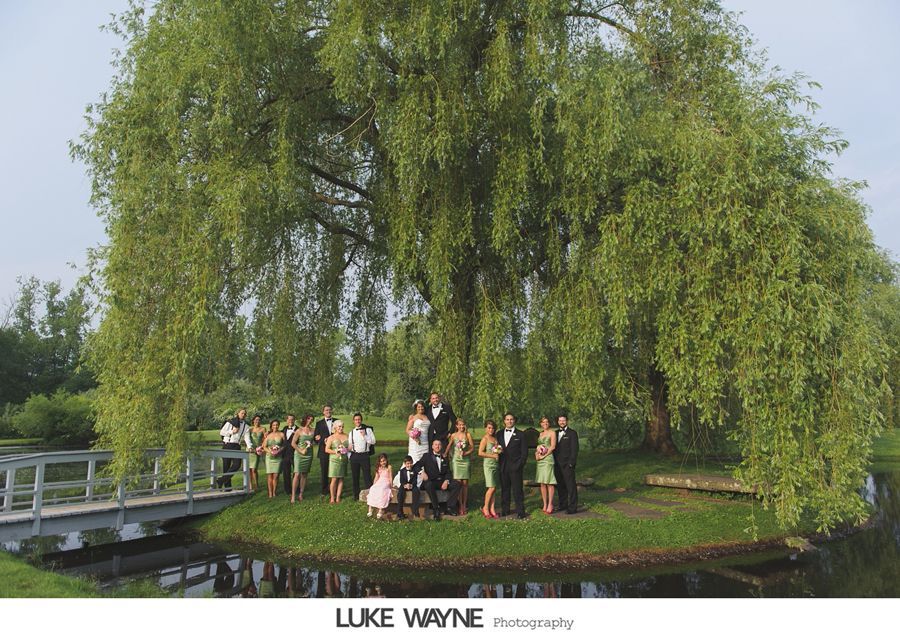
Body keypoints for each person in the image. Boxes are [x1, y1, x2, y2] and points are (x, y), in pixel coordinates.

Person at [416, 439, 461, 521]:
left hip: (442, 482)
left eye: (439, 444)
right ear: (432, 446)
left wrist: (446, 481)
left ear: (441, 446)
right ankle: (436, 509)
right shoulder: (426, 456)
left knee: (457, 484)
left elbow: (448, 472)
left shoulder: (444, 457)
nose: (437, 446)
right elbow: (416, 466)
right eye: (436, 444)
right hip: (431, 481)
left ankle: (449, 508)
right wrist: (421, 472)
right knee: (428, 485)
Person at [496, 412, 527, 519]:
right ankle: (505, 510)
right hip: (503, 466)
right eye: (507, 419)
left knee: (517, 490)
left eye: (511, 419)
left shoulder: (520, 434)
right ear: (504, 421)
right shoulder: (499, 434)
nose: (509, 421)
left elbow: (524, 453)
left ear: (514, 421)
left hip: (516, 466)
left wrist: (519, 465)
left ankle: (520, 511)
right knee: (505, 489)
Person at [445, 418, 474, 515]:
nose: (461, 427)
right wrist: (446, 453)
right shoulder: (453, 435)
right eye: (459, 425)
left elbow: (472, 447)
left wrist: (466, 453)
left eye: (463, 425)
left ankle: (464, 505)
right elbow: (449, 445)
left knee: (465, 484)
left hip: (465, 460)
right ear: (456, 426)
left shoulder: (468, 435)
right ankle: (459, 504)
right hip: (456, 461)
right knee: (458, 484)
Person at [554, 414, 579, 514]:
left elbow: (575, 449)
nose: (562, 422)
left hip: (567, 464)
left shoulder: (572, 433)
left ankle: (573, 507)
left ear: (567, 421)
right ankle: (562, 504)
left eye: (563, 420)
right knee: (560, 486)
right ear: (558, 422)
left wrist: (571, 463)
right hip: (557, 464)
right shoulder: (555, 433)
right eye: (560, 420)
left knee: (571, 486)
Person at [217, 408, 248, 490]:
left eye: (245, 414)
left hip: (237, 446)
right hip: (227, 445)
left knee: (237, 465)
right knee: (226, 466)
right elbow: (222, 432)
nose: (243, 415)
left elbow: (247, 438)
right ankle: (227, 487)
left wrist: (250, 446)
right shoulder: (230, 422)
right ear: (238, 413)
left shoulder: (246, 426)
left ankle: (221, 480)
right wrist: (232, 432)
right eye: (242, 413)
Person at [348, 412, 376, 501]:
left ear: (361, 420)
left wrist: (365, 435)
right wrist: (350, 456)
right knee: (355, 476)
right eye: (356, 420)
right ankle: (356, 496)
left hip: (364, 455)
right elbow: (349, 446)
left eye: (359, 419)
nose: (357, 421)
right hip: (354, 456)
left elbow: (373, 441)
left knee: (367, 476)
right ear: (353, 421)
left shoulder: (368, 430)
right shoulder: (351, 432)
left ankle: (371, 495)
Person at [477, 420, 501, 519]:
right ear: (486, 428)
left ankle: (492, 509)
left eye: (492, 428)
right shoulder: (485, 438)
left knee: (494, 488)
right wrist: (492, 455)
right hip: (488, 465)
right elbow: (480, 453)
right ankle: (485, 508)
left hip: (495, 464)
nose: (491, 430)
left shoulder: (495, 439)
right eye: (489, 428)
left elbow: (497, 450)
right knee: (491, 487)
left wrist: (499, 451)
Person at [534, 416, 558, 514]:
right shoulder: (540, 434)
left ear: (549, 423)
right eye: (543, 422)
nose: (545, 424)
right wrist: (537, 454)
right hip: (540, 460)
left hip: (548, 459)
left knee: (549, 482)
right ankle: (544, 503)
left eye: (547, 422)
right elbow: (538, 447)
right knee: (542, 483)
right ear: (541, 424)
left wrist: (544, 456)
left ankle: (550, 504)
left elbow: (552, 447)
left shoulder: (552, 433)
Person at [290, 414, 316, 503]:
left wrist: (312, 444)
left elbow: (315, 441)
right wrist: (300, 451)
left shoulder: (313, 430)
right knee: (297, 474)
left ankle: (301, 494)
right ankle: (293, 495)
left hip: (309, 454)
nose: (310, 421)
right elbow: (293, 443)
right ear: (305, 419)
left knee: (304, 474)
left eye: (312, 419)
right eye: (309, 418)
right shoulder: (299, 430)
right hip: (299, 454)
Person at [314, 405, 337, 496]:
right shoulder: (319, 423)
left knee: (334, 470)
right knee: (324, 470)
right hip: (323, 451)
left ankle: (333, 488)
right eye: (326, 410)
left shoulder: (336, 421)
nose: (328, 411)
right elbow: (316, 438)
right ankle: (324, 490)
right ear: (323, 412)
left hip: (334, 449)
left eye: (329, 410)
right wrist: (322, 440)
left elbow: (339, 433)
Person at [324, 420, 349, 503]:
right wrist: (335, 451)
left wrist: (345, 450)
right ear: (335, 427)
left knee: (341, 478)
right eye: (339, 426)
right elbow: (326, 449)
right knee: (334, 479)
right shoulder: (331, 437)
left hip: (344, 459)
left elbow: (349, 448)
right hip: (334, 460)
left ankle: (338, 497)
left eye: (342, 426)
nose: (341, 428)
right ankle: (332, 497)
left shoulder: (347, 436)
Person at [393, 455, 422, 520]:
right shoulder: (402, 471)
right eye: (407, 464)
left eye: (411, 463)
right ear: (405, 464)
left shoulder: (414, 470)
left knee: (416, 491)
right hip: (404, 485)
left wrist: (412, 485)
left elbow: (415, 480)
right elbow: (401, 480)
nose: (409, 465)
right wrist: (405, 485)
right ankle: (400, 513)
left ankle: (416, 513)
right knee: (400, 493)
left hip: (412, 485)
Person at [365, 453, 393, 519]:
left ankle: (380, 510)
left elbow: (390, 477)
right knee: (373, 489)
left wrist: (391, 485)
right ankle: (370, 509)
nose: (383, 462)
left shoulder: (389, 467)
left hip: (386, 481)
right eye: (381, 461)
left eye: (384, 461)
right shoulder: (379, 468)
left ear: (386, 460)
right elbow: (376, 477)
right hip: (380, 481)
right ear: (379, 462)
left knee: (382, 489)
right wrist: (373, 485)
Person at [263, 420, 285, 498]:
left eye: (277, 425)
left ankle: (274, 492)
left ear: (278, 426)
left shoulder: (282, 434)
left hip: (278, 457)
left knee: (276, 475)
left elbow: (284, 445)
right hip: (269, 457)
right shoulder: (268, 435)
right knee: (269, 475)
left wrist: (279, 451)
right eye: (274, 425)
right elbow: (264, 446)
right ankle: (270, 493)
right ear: (271, 426)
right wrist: (270, 451)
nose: (275, 426)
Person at [246, 414, 265, 493]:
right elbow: (246, 439)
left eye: (259, 420)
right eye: (256, 419)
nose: (257, 421)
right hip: (250, 450)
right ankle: (250, 485)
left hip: (257, 450)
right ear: (253, 420)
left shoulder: (263, 429)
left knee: (254, 469)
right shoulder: (250, 430)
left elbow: (265, 439)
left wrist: (261, 448)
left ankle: (256, 485)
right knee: (249, 469)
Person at [280, 414, 299, 495]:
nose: (290, 421)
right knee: (286, 472)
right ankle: (287, 489)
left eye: (292, 419)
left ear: (294, 420)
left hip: (295, 453)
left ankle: (297, 488)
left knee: (296, 472)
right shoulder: (284, 429)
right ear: (286, 420)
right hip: (285, 454)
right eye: (289, 419)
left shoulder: (298, 430)